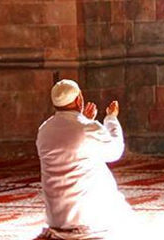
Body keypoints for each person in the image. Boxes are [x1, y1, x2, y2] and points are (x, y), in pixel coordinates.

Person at [35, 79, 134, 240]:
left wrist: (85, 121)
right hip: (86, 221)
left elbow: (68, 146)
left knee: (88, 158)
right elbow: (115, 151)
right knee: (99, 166)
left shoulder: (44, 130)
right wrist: (111, 119)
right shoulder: (87, 128)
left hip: (55, 219)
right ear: (79, 99)